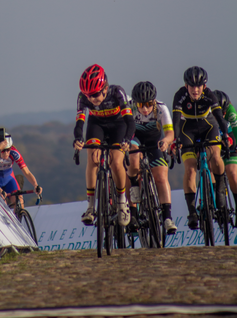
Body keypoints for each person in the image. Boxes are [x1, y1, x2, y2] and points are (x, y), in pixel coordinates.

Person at [73, 64, 135, 226]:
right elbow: (80, 122)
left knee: (116, 162)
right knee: (93, 158)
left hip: (118, 124)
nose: (91, 99)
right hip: (97, 123)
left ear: (105, 88)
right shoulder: (83, 97)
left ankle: (122, 202)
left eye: (94, 94)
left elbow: (129, 121)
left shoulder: (117, 92)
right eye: (88, 95)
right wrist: (78, 138)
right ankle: (91, 206)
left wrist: (127, 139)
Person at [173, 66, 229, 230]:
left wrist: (225, 133)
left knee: (216, 158)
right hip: (187, 130)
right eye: (192, 86)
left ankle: (219, 189)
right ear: (186, 85)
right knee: (190, 168)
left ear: (204, 86)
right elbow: (176, 120)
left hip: (208, 126)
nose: (195, 90)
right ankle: (192, 211)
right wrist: (176, 140)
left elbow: (219, 116)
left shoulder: (209, 94)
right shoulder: (180, 96)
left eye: (199, 86)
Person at [127, 81, 177, 234]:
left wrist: (166, 142)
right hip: (135, 139)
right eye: (141, 104)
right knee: (134, 159)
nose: (144, 108)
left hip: (154, 142)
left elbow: (169, 133)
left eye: (148, 104)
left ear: (154, 101)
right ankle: (134, 208)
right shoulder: (129, 108)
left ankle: (167, 217)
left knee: (161, 177)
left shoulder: (161, 108)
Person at [0, 132, 42, 209]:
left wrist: (35, 185)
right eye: (3, 150)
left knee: (20, 202)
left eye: (8, 150)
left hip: (9, 180)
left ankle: (19, 217)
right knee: (2, 204)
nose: (6, 153)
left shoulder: (14, 153)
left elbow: (27, 172)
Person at [213, 90, 237, 222]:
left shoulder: (230, 110)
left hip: (230, 139)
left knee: (232, 173)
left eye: (221, 114)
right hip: (213, 141)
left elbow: (236, 130)